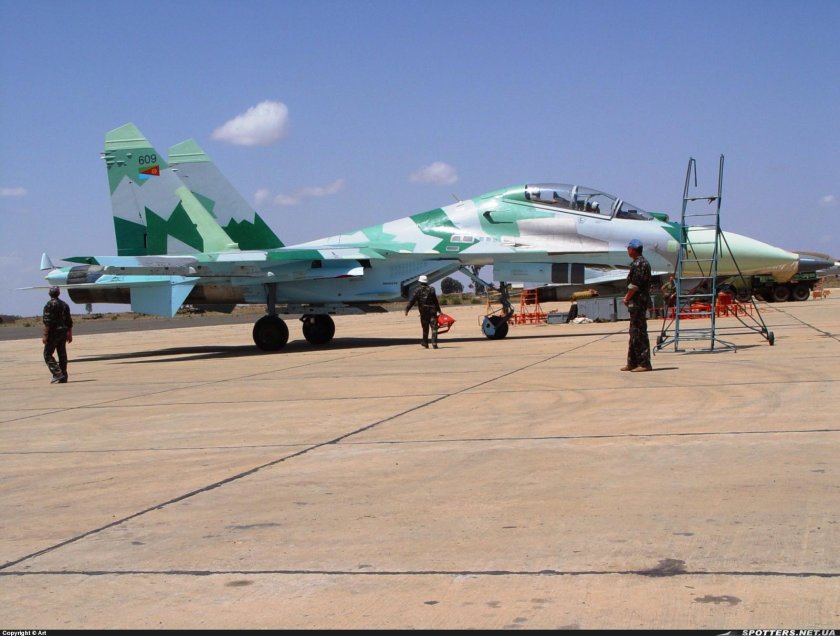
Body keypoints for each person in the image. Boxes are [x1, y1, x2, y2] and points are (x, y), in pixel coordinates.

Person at [622, 239, 652, 372]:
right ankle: (633, 362)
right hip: (637, 301)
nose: (628, 250)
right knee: (634, 331)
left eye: (629, 248)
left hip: (638, 301)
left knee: (639, 332)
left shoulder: (640, 263)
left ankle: (644, 363)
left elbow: (635, 284)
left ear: (633, 249)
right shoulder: (638, 262)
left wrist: (627, 297)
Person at [42, 286, 73, 383]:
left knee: (47, 354)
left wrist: (45, 334)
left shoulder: (49, 305)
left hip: (54, 332)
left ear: (50, 293)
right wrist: (70, 333)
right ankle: (63, 376)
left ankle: (57, 373)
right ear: (58, 293)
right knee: (62, 354)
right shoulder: (64, 304)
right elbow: (69, 321)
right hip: (63, 331)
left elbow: (47, 321)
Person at [405, 275, 441, 348]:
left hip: (424, 313)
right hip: (432, 312)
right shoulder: (432, 289)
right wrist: (439, 310)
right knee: (434, 328)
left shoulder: (417, 290)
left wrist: (407, 309)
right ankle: (434, 343)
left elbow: (412, 301)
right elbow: (435, 301)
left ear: (420, 282)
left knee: (425, 328)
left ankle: (425, 343)